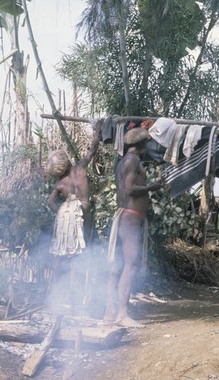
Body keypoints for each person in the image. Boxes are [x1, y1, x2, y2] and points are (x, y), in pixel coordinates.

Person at [103, 127, 164, 328]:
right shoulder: (133, 161)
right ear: (141, 146)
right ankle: (122, 314)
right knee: (130, 265)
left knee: (117, 267)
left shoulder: (122, 162)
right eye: (147, 144)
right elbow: (129, 189)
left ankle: (109, 313)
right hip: (130, 218)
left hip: (126, 217)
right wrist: (151, 187)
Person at [45, 119, 103, 312]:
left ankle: (58, 297)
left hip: (67, 220)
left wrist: (63, 212)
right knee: (79, 255)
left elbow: (51, 202)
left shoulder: (60, 184)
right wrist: (97, 131)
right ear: (67, 160)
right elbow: (92, 149)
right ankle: (76, 299)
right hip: (83, 215)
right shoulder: (80, 168)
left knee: (63, 255)